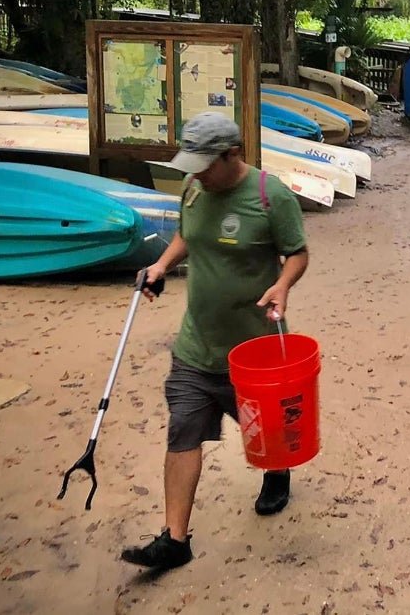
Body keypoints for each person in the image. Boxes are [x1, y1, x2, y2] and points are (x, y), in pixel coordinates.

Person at [121, 111, 310, 572]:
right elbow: (188, 234)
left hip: (254, 350)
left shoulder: (270, 195)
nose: (196, 174)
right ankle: (175, 540)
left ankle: (276, 468)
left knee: (262, 432)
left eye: (206, 165)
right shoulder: (192, 189)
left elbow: (297, 254)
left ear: (233, 155)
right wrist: (162, 265)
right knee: (183, 429)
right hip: (196, 346)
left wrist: (283, 284)